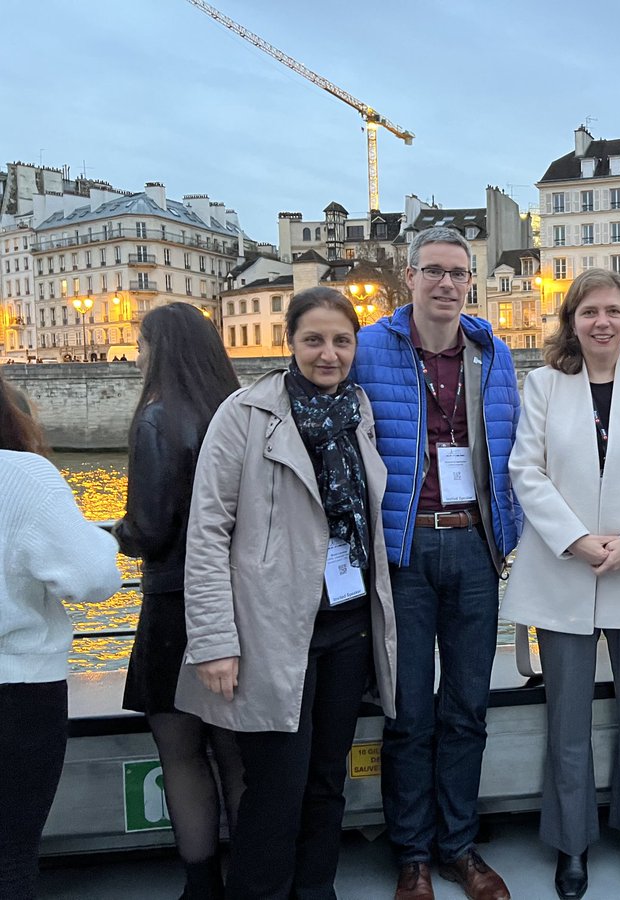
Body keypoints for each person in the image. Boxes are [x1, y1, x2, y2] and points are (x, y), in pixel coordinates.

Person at [177, 286, 398, 899]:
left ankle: (315, 891)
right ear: (289, 343)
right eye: (314, 340)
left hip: (346, 624)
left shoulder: (358, 410)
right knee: (277, 785)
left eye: (341, 341)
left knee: (328, 779)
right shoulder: (244, 413)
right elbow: (208, 531)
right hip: (273, 630)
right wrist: (216, 641)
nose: (328, 354)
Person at [502, 269, 620, 900]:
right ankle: (572, 843)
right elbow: (525, 470)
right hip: (565, 567)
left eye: (613, 311)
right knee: (568, 719)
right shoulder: (543, 385)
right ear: (572, 321)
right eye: (589, 312)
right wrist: (576, 539)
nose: (602, 322)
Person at [354, 226, 521, 900]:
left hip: (476, 546)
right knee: (408, 710)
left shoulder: (492, 351)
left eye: (458, 273)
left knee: (467, 706)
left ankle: (458, 845)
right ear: (410, 275)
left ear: (470, 282)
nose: (446, 284)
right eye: (434, 272)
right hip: (406, 547)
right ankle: (412, 854)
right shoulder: (369, 347)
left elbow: (517, 447)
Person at [113, 303, 245, 899]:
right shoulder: (237, 412)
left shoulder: (157, 420)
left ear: (159, 349)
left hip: (173, 604)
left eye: (141, 344)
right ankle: (255, 876)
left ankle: (202, 884)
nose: (138, 356)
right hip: (236, 602)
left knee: (181, 752)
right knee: (236, 753)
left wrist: (116, 533)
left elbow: (150, 527)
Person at [1, 374, 121, 899]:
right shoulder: (24, 475)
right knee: (11, 852)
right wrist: (95, 536)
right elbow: (95, 579)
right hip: (18, 691)